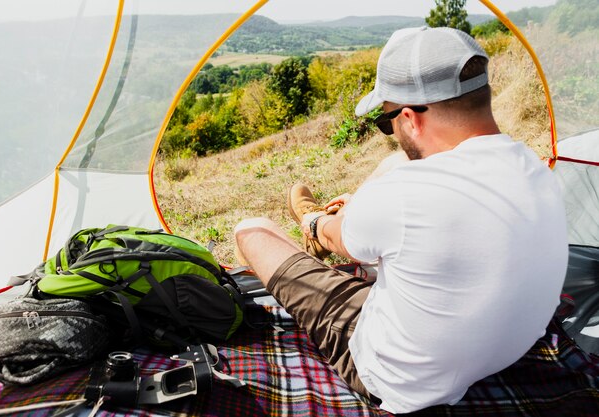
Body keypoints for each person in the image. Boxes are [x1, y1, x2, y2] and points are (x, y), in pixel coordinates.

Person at [234, 26, 568, 414]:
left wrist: (316, 222)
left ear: (410, 119)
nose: (390, 130)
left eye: (386, 121)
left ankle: (306, 225)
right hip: (497, 356)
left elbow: (337, 237)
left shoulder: (405, 194)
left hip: (396, 376)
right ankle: (357, 222)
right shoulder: (537, 170)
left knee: (251, 230)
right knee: (395, 166)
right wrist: (367, 205)